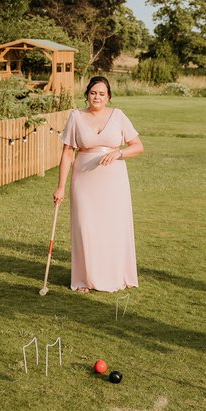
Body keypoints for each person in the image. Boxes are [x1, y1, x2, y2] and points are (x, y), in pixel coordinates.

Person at [53, 76, 144, 292]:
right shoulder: (76, 116)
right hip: (84, 181)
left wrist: (118, 153)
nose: (97, 97)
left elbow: (138, 146)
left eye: (102, 94)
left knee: (112, 227)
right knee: (85, 227)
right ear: (87, 95)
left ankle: (114, 275)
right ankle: (85, 279)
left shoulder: (118, 116)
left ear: (108, 96)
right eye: (93, 93)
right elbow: (67, 154)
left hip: (114, 182)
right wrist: (60, 187)